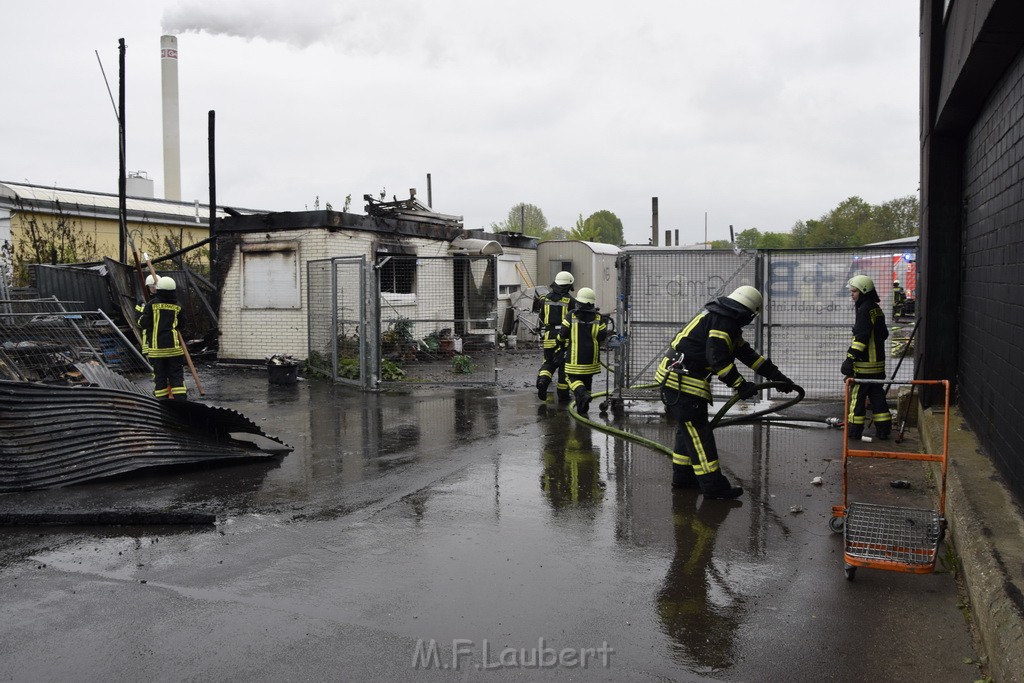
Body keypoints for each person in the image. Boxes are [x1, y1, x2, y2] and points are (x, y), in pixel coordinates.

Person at [654, 286, 794, 499]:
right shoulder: (724, 322)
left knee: (689, 431)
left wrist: (778, 377)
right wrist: (740, 384)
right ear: (750, 312)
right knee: (700, 434)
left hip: (678, 380)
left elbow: (748, 355)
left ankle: (682, 477)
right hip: (683, 383)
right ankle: (713, 487)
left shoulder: (722, 318)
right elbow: (717, 359)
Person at [843, 275, 891, 440]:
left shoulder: (863, 310)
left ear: (863, 291)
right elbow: (884, 334)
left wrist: (850, 359)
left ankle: (854, 432)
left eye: (854, 291)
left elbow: (861, 337)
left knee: (857, 398)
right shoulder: (876, 309)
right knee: (878, 397)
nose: (852, 294)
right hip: (878, 366)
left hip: (864, 367)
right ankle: (884, 430)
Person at [554, 287, 608, 414]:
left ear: (579, 302)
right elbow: (602, 336)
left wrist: (559, 343)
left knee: (570, 378)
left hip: (574, 359)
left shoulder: (571, 315)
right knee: (587, 380)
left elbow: (562, 334)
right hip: (592, 359)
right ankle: (583, 407)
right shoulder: (599, 318)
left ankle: (583, 395)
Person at [139, 276, 187, 399]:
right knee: (176, 376)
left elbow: (144, 323)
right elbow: (182, 325)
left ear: (159, 289)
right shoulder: (178, 306)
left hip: (157, 350)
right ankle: (181, 402)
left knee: (160, 377)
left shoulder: (151, 305)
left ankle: (162, 403)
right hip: (174, 349)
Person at [534, 270, 576, 402]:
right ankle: (563, 395)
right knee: (564, 365)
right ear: (569, 285)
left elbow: (541, 317)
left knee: (549, 361)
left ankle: (543, 381)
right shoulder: (571, 301)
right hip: (564, 337)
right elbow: (573, 321)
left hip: (548, 335)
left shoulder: (545, 299)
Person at [135, 274, 159, 357]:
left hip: (162, 336)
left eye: (155, 286)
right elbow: (138, 320)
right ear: (147, 287)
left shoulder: (164, 300)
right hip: (148, 338)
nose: (154, 288)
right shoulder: (142, 302)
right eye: (151, 286)